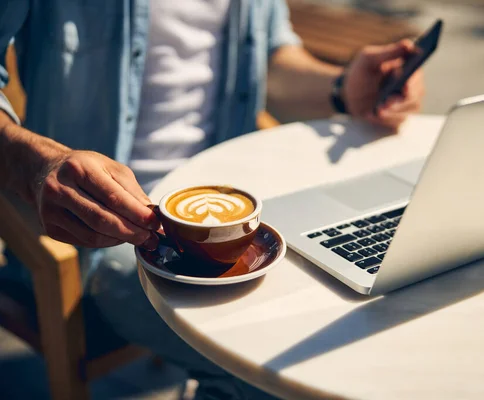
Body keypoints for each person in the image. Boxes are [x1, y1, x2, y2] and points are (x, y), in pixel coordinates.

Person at [0, 1, 424, 397]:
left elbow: (272, 57)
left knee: (357, 326)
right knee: (284, 369)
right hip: (105, 230)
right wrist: (36, 166)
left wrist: (344, 85)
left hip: (238, 208)